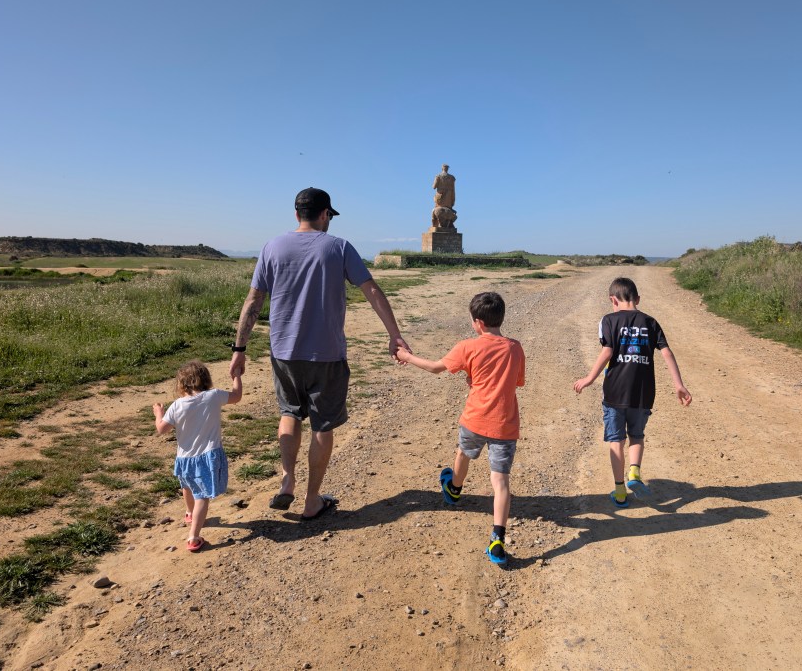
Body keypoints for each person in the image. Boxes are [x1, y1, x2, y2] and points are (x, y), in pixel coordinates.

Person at [230, 187, 410, 520]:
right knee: (322, 426)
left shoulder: (272, 247)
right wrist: (394, 335)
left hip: (283, 352)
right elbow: (371, 291)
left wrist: (239, 348)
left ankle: (287, 479)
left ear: (296, 214)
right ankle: (312, 500)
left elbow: (253, 301)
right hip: (326, 354)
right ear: (325, 214)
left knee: (289, 413)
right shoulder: (339, 247)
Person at [396, 292, 525, 566]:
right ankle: (497, 538)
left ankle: (454, 489)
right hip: (505, 424)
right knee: (501, 481)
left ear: (478, 323)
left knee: (463, 453)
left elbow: (435, 368)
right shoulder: (515, 348)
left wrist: (406, 356)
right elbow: (515, 382)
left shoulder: (468, 346)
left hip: (475, 419)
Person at [573, 277, 692, 506]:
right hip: (643, 393)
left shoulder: (608, 320)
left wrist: (589, 378)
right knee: (636, 436)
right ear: (638, 299)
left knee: (616, 441)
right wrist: (679, 384)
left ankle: (620, 492)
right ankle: (634, 473)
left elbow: (607, 351)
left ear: (613, 300)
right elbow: (667, 353)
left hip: (615, 392)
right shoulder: (651, 322)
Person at [154, 360, 242, 552]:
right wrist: (236, 376)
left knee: (188, 486)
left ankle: (190, 513)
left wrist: (159, 413)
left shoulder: (177, 405)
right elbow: (237, 396)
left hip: (184, 459)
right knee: (202, 495)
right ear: (206, 379)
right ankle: (193, 537)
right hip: (207, 457)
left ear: (181, 384)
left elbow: (161, 429)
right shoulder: (214, 395)